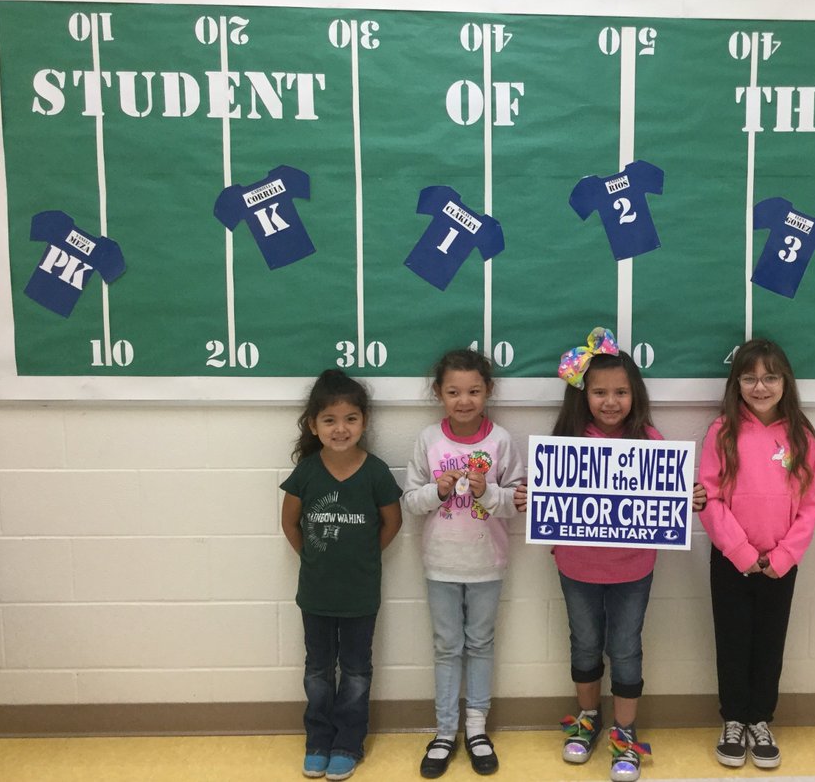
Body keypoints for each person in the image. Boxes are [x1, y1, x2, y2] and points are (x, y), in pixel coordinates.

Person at [514, 327, 706, 782]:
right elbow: (544, 495)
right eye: (599, 392)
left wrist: (689, 496)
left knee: (624, 648)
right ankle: (587, 718)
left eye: (621, 392)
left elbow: (670, 497)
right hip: (575, 566)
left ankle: (624, 730)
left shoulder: (650, 442)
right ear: (583, 395)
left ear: (634, 395)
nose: (610, 401)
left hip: (633, 569)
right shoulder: (564, 443)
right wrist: (530, 497)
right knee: (583, 643)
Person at [698, 338, 815, 771]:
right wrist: (740, 551)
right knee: (732, 642)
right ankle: (733, 719)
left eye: (770, 377)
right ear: (736, 384)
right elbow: (709, 498)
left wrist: (783, 556)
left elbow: (810, 505)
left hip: (779, 566)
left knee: (770, 643)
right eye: (749, 377)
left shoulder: (801, 436)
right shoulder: (722, 432)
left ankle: (760, 720)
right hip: (732, 561)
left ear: (785, 382)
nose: (760, 386)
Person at [403, 349, 526, 778]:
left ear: (488, 391)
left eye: (474, 391)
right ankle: (444, 731)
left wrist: (487, 493)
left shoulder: (502, 442)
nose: (464, 400)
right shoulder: (428, 441)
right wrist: (437, 491)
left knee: (480, 645)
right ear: (438, 393)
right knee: (445, 647)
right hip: (440, 564)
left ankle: (477, 728)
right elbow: (410, 502)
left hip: (487, 564)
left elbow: (516, 503)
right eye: (453, 392)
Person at [281, 369, 403, 782]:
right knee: (317, 670)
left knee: (355, 671)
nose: (340, 428)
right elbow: (290, 524)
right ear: (313, 425)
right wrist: (315, 558)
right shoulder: (307, 472)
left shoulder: (376, 473)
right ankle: (318, 740)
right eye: (329, 420)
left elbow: (392, 524)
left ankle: (347, 743)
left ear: (364, 422)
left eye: (350, 418)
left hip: (360, 596)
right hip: (315, 595)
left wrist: (363, 557)